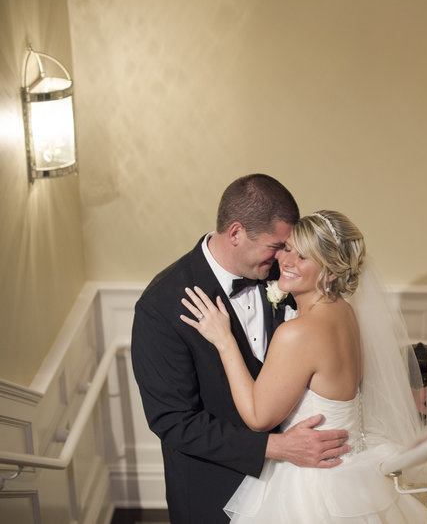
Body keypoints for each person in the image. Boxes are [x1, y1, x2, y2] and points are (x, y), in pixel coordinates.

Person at [181, 210, 427, 523]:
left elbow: (258, 418)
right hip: (354, 469)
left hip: (312, 483)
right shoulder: (345, 313)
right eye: (287, 248)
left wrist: (225, 341)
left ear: (329, 273)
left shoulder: (298, 333)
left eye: (303, 257)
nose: (286, 261)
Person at [131, 175, 350, 524]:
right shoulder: (161, 305)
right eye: (277, 246)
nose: (286, 258)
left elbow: (327, 347)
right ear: (236, 233)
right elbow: (173, 421)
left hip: (296, 488)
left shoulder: (288, 279)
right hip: (212, 490)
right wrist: (276, 448)